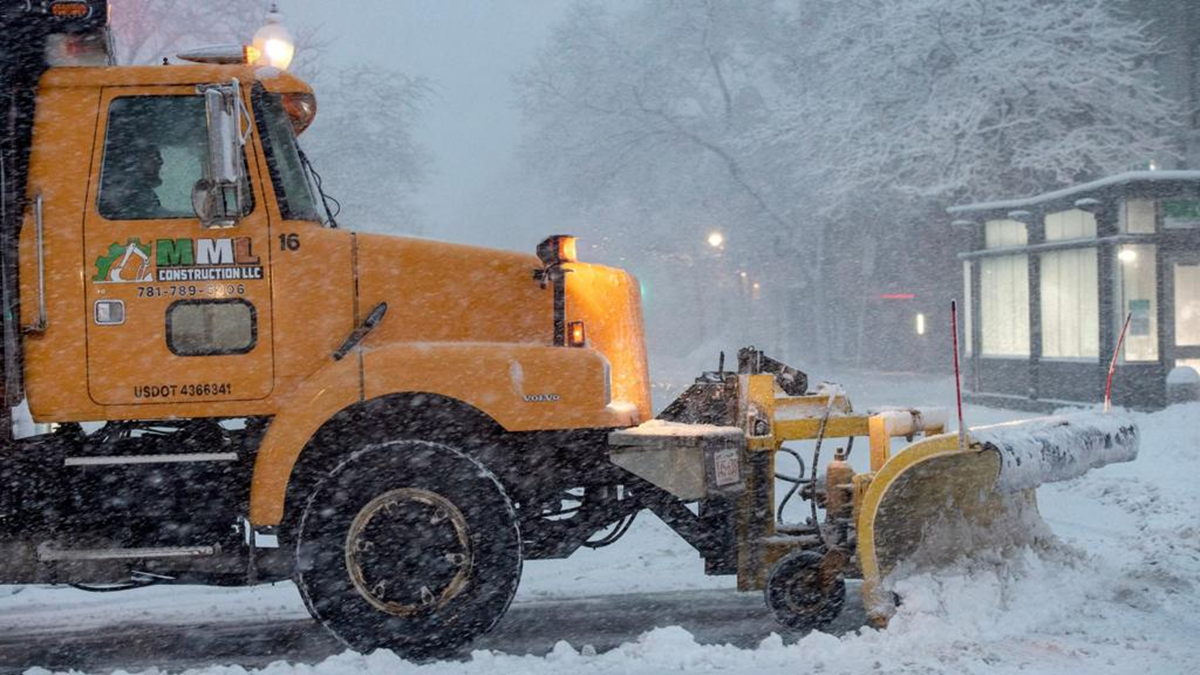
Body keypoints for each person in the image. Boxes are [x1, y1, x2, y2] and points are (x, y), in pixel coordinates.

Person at [99, 136, 164, 219]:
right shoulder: (127, 191)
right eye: (153, 156)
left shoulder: (138, 190)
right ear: (136, 159)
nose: (160, 161)